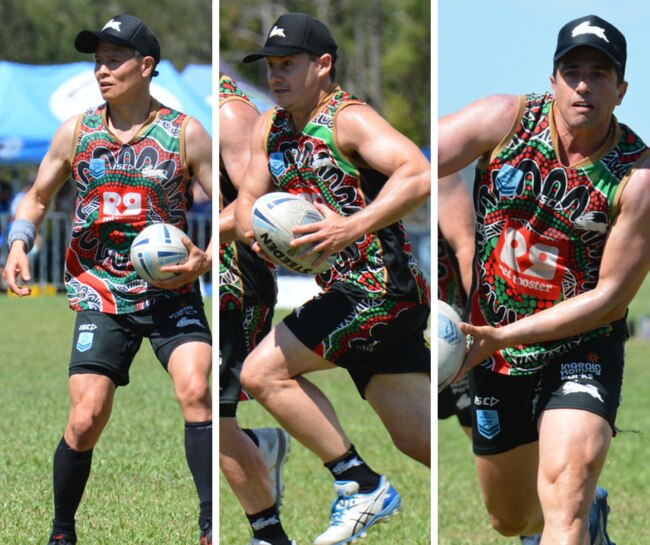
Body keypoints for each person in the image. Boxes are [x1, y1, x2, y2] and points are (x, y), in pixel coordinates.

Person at [439, 14, 650, 545]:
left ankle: (580, 517)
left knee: (568, 488)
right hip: (493, 348)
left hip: (579, 343)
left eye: (599, 74)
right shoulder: (504, 119)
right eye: (572, 70)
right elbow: (417, 165)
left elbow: (608, 299)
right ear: (552, 79)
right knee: (511, 520)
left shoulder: (637, 176)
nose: (583, 84)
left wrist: (499, 338)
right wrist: (464, 245)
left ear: (621, 90)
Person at [3, 14, 213, 545]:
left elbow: (231, 205)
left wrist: (207, 257)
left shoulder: (185, 132)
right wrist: (19, 242)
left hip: (172, 290)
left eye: (114, 59)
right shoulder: (77, 131)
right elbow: (37, 196)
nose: (102, 69)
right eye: (97, 59)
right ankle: (61, 532)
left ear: (146, 67)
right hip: (100, 290)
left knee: (196, 391)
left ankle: (212, 526)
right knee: (85, 417)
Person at [234, 12, 431, 545]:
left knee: (261, 373)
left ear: (323, 65)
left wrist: (354, 226)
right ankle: (562, 502)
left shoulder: (349, 120)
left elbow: (417, 172)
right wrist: (237, 237)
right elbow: (247, 200)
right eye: (271, 66)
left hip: (379, 288)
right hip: (349, 294)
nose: (276, 76)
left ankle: (360, 485)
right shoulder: (269, 128)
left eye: (288, 65)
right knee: (423, 441)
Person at [218, 71, 295, 545]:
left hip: (240, 282)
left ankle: (269, 535)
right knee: (211, 416)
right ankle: (262, 446)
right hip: (214, 277)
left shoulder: (231, 114)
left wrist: (201, 244)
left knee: (212, 418)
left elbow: (260, 204)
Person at [437, 172, 475, 439]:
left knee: (474, 416)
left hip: (450, 311)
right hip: (403, 306)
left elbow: (465, 244)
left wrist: (480, 314)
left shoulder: (441, 170)